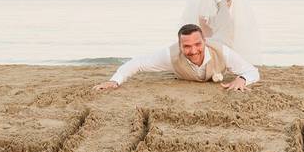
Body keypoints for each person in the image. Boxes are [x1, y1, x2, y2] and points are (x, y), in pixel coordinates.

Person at [93, 24, 259, 92]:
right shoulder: (170, 55)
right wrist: (115, 81)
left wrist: (243, 79)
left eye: (197, 44)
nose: (193, 50)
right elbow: (138, 63)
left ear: (205, 42)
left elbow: (252, 71)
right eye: (186, 46)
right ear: (180, 46)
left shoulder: (222, 51)